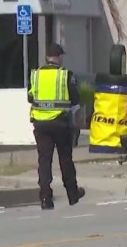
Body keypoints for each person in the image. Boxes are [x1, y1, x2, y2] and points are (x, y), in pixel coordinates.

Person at [28, 44, 85, 210]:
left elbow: (30, 97)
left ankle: (45, 198)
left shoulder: (36, 75)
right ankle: (72, 194)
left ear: (47, 58)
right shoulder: (65, 75)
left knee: (44, 161)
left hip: (40, 123)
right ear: (59, 57)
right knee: (65, 159)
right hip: (60, 123)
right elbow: (75, 99)